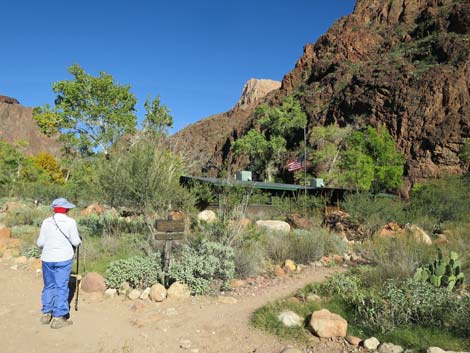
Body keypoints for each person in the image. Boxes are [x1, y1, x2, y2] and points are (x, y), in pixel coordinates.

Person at [37, 198, 81, 329]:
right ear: (66, 209)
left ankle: (46, 314)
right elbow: (76, 242)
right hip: (63, 258)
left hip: (47, 258)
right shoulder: (70, 222)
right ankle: (58, 317)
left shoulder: (46, 222)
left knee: (49, 285)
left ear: (54, 209)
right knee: (61, 286)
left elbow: (40, 243)